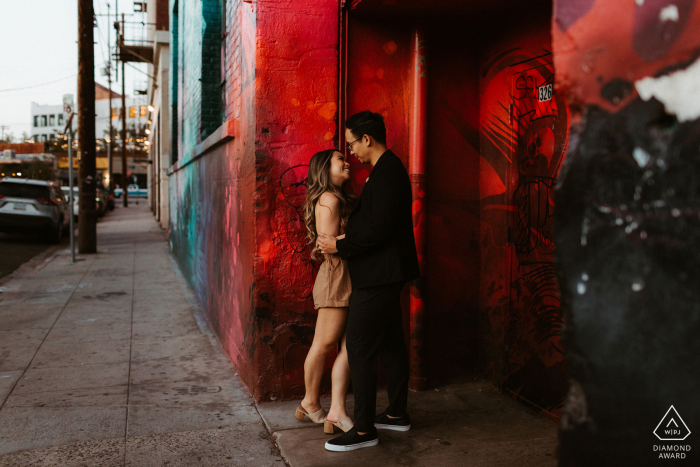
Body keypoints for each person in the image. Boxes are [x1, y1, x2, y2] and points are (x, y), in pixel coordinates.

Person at [317, 110, 420, 452]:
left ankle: (363, 430)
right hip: (385, 273)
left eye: (352, 144)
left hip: (379, 276)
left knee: (359, 347)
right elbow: (378, 223)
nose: (352, 153)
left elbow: (381, 230)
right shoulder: (384, 171)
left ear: (367, 139)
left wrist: (340, 243)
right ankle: (396, 414)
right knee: (390, 343)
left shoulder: (387, 172)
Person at [295, 149, 357, 435]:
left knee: (346, 345)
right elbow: (328, 244)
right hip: (337, 275)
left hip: (343, 275)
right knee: (324, 343)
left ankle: (333, 410)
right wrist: (367, 233)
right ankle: (310, 402)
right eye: (339, 160)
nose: (347, 162)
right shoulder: (330, 199)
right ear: (324, 169)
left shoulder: (336, 198)